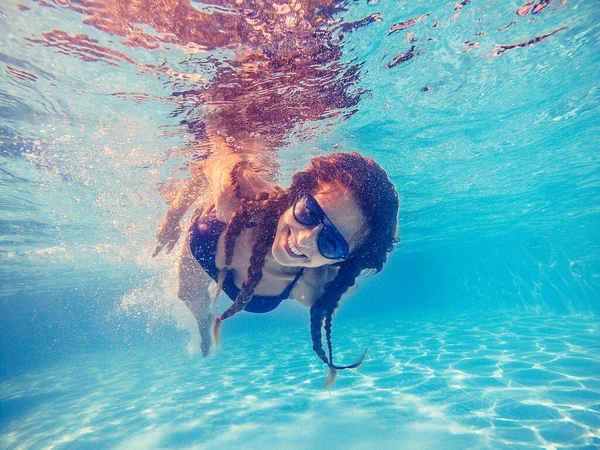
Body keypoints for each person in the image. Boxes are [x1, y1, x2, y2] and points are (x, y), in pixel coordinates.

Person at [154, 135, 399, 386]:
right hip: (205, 245)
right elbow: (210, 161)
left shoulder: (318, 282)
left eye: (331, 242)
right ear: (298, 196)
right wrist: (173, 219)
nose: (305, 239)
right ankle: (203, 321)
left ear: (340, 261)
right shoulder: (238, 196)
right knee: (187, 294)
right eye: (309, 212)